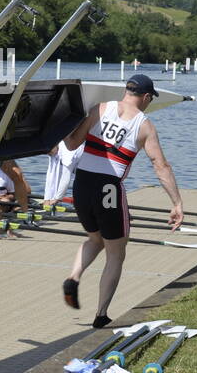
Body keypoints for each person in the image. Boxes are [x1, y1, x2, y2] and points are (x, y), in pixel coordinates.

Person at [60, 74, 183, 328]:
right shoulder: (144, 125)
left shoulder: (99, 109)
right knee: (116, 253)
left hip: (81, 183)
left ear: (127, 91)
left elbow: (71, 144)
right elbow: (160, 166)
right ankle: (101, 314)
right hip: (109, 189)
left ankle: (73, 277)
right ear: (146, 97)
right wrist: (177, 203)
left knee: (95, 238)